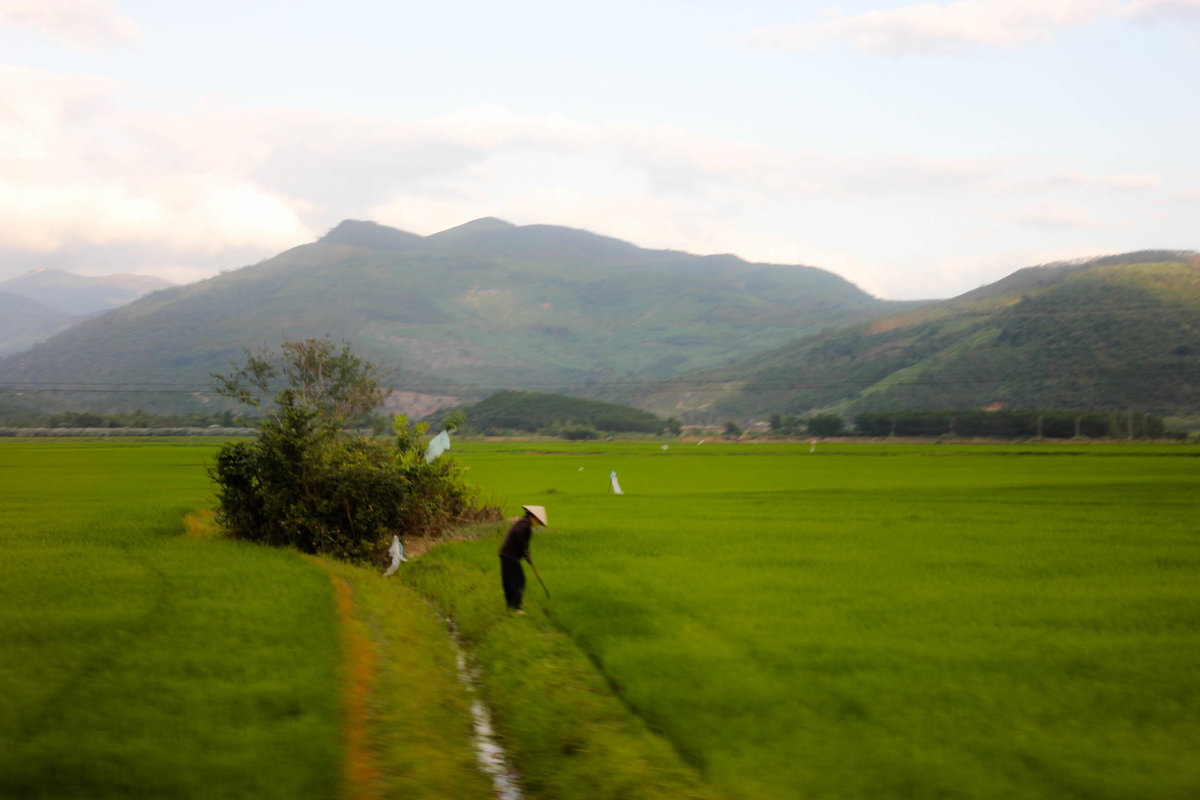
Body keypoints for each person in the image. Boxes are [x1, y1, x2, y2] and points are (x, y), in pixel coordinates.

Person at [498, 505, 547, 613]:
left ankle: (511, 605)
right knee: (519, 581)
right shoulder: (525, 524)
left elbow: (520, 539)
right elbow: (518, 535)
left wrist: (526, 553)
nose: (537, 524)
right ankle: (516, 607)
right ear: (533, 517)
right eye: (538, 522)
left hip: (505, 555)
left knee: (509, 581)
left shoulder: (522, 522)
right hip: (510, 556)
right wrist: (525, 552)